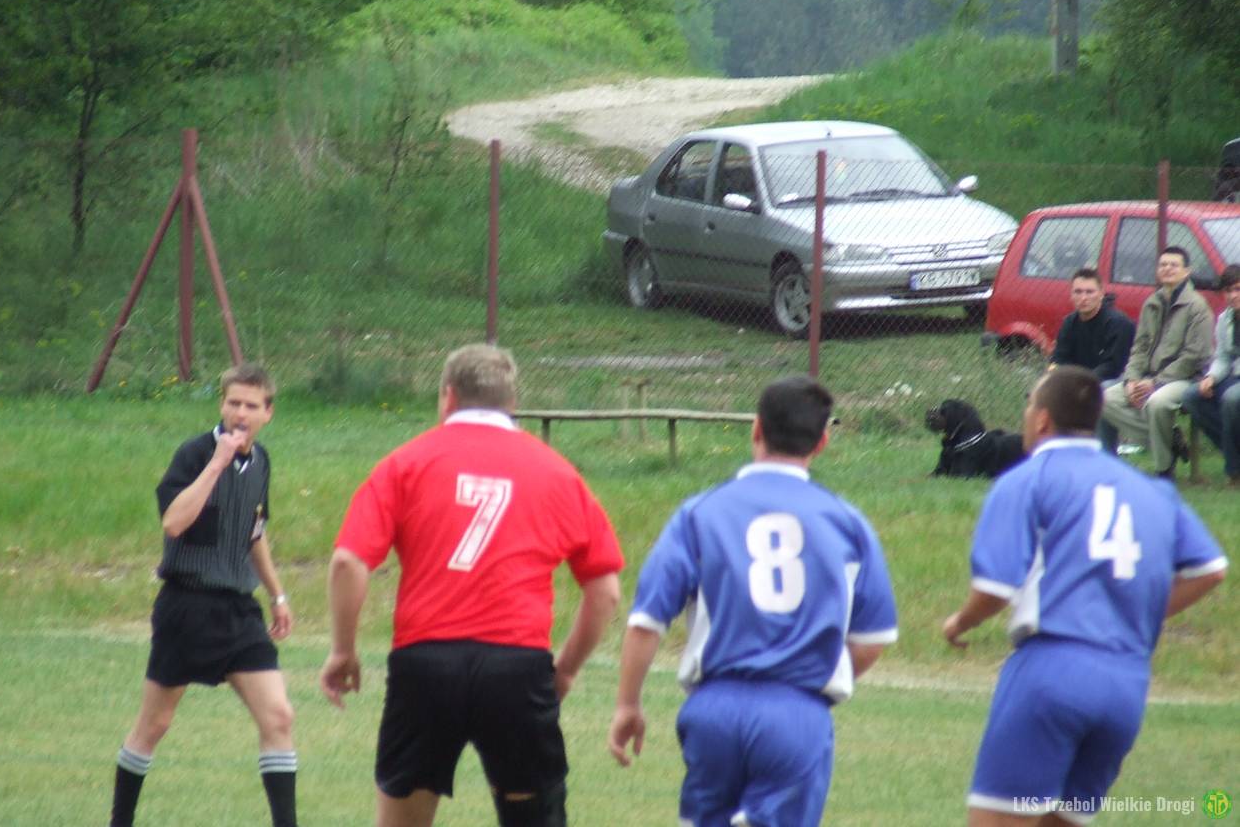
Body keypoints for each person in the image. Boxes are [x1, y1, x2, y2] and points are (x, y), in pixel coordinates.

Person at [320, 343, 623, 827]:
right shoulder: (556, 472)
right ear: (511, 402)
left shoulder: (406, 463)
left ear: (448, 397)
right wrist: (565, 669)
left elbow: (347, 563)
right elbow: (605, 590)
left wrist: (343, 650)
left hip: (425, 664)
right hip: (516, 668)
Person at [607, 375, 898, 827]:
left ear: (756, 429)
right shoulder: (847, 522)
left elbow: (647, 621)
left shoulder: (699, 513)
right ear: (821, 442)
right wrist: (815, 671)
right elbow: (872, 638)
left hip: (714, 709)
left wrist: (628, 703)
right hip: (797, 713)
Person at [943, 366, 1227, 826]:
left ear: (1042, 419)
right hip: (1126, 683)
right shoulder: (1152, 490)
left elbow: (994, 587)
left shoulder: (1027, 479)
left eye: (1029, 404)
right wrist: (1140, 613)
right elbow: (1211, 569)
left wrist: (960, 622)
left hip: (1051, 671)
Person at [108, 363, 298, 827]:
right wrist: (217, 463)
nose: (240, 413)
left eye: (251, 405)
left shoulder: (262, 461)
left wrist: (277, 595)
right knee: (154, 725)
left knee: (278, 717)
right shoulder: (195, 454)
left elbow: (254, 532)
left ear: (268, 413)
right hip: (187, 606)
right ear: (221, 404)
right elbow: (174, 522)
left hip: (239, 610)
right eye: (233, 402)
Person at [1100, 246, 1214, 477]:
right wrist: (1131, 380)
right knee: (1104, 399)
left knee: (1157, 403)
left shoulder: (1198, 306)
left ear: (1186, 271)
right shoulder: (1152, 303)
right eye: (1163, 264)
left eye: (1174, 265)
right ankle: (1171, 440)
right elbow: (1139, 347)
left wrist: (1156, 383)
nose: (1167, 269)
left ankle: (1163, 470)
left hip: (1186, 378)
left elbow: (1194, 356)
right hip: (1147, 378)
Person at [1180, 263, 1240, 484]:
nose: (1233, 295)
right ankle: (1235, 456)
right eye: (1228, 290)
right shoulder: (1225, 318)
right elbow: (1222, 356)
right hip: (1232, 375)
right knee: (1192, 396)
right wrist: (1211, 378)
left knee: (1231, 398)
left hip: (1235, 379)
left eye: (1238, 289)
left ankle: (1234, 471)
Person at [1048, 268, 1134, 382]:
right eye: (1078, 292)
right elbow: (1059, 359)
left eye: (1089, 292)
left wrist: (1082, 382)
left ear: (1101, 294)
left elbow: (1113, 367)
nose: (1083, 298)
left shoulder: (1119, 324)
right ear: (1071, 295)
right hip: (1078, 380)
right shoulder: (1069, 322)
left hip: (1113, 381)